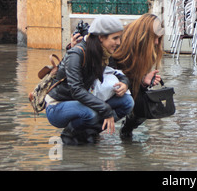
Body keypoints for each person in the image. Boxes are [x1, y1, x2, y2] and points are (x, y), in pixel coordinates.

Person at [45, 15, 134, 144]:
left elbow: (118, 73)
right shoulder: (76, 54)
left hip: (82, 102)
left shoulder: (104, 54)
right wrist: (106, 109)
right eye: (115, 38)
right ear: (101, 37)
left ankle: (88, 132)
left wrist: (125, 84)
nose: (118, 43)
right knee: (91, 113)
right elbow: (76, 90)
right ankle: (69, 134)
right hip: (57, 107)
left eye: (119, 38)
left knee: (127, 102)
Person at [112, 13, 165, 138]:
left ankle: (126, 131)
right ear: (144, 35)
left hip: (129, 85)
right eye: (155, 38)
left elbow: (134, 80)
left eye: (159, 38)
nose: (157, 42)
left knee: (145, 106)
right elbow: (110, 73)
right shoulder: (120, 42)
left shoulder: (148, 51)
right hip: (112, 85)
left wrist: (143, 81)